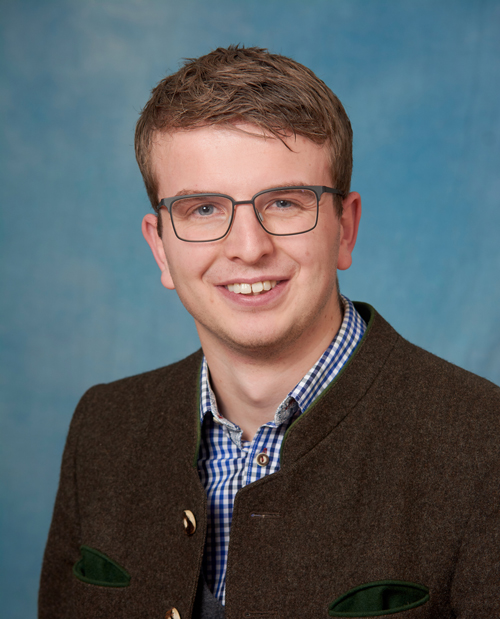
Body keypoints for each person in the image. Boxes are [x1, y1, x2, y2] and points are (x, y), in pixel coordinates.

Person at [39, 46, 500, 619]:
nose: (249, 248)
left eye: (284, 202)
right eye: (203, 209)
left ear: (345, 228)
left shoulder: (484, 445)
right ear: (160, 247)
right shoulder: (102, 429)